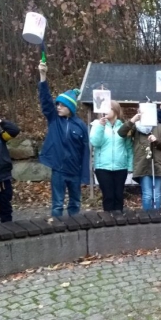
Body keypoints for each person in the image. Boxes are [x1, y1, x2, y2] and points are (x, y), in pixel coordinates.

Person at [38, 61, 90, 217]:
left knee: (75, 203)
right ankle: (57, 228)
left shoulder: (81, 125)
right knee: (57, 205)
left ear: (71, 108)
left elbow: (85, 152)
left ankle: (75, 229)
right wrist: (43, 76)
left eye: (62, 105)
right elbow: (46, 100)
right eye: (58, 104)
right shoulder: (54, 119)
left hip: (74, 171)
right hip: (58, 170)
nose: (58, 107)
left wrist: (84, 175)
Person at [118, 106, 161, 210]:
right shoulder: (135, 127)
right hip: (142, 165)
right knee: (147, 194)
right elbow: (121, 133)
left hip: (157, 165)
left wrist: (156, 140)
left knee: (157, 194)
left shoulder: (160, 127)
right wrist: (133, 120)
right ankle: (147, 216)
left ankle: (157, 216)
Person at [89, 101, 133, 212]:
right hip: (103, 167)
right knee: (108, 196)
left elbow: (129, 148)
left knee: (119, 196)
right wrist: (101, 126)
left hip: (121, 167)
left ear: (116, 110)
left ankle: (119, 220)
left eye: (108, 108)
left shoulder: (123, 127)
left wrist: (130, 166)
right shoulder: (97, 125)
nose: (105, 110)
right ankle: (108, 220)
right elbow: (95, 142)